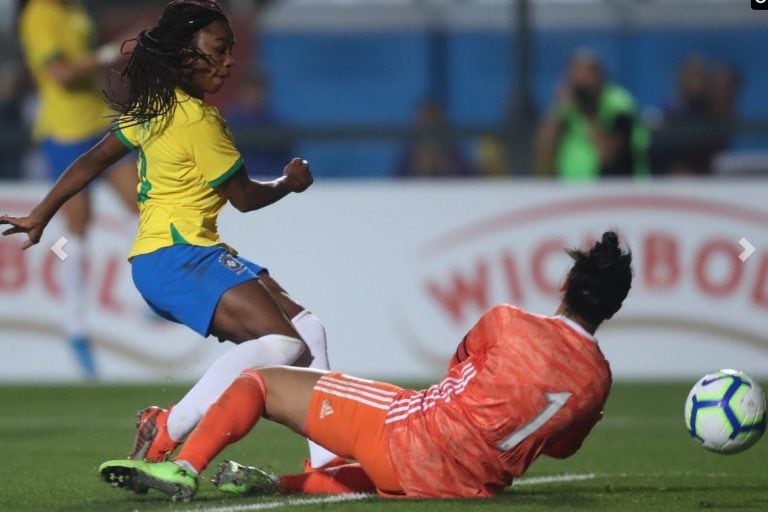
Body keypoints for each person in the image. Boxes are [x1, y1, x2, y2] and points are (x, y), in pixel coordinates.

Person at [2, 0, 340, 472]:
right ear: (185, 54)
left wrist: (41, 214)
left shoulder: (153, 109)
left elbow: (91, 161)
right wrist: (289, 183)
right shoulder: (200, 121)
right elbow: (243, 197)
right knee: (283, 344)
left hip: (175, 257)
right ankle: (171, 426)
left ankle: (329, 463)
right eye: (218, 50)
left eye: (231, 51)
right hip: (180, 257)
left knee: (308, 330)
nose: (227, 61)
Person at [98, 231, 633, 501]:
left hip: (411, 439)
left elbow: (458, 368)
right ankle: (277, 486)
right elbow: (561, 448)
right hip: (472, 485)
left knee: (259, 381)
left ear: (565, 284)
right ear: (613, 307)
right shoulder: (597, 380)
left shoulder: (509, 321)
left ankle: (182, 466)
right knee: (395, 467)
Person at [18, 0, 139, 377]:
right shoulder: (40, 15)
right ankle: (74, 323)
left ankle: (154, 289)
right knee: (77, 230)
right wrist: (110, 52)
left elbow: (87, 67)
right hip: (63, 134)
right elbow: (61, 74)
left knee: (146, 203)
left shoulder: (75, 10)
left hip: (98, 124)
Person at [535, 50, 649, 180]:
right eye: (576, 76)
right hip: (571, 187)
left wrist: (586, 112)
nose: (582, 83)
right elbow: (545, 147)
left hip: (616, 186)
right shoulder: (567, 105)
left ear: (600, 76)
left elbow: (608, 154)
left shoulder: (618, 103)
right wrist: (557, 108)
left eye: (587, 75)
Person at [395, 98, 474, 177]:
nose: (429, 128)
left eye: (433, 122)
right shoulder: (407, 157)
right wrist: (420, 170)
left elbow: (472, 181)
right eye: (424, 122)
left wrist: (446, 167)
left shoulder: (454, 155)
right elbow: (395, 184)